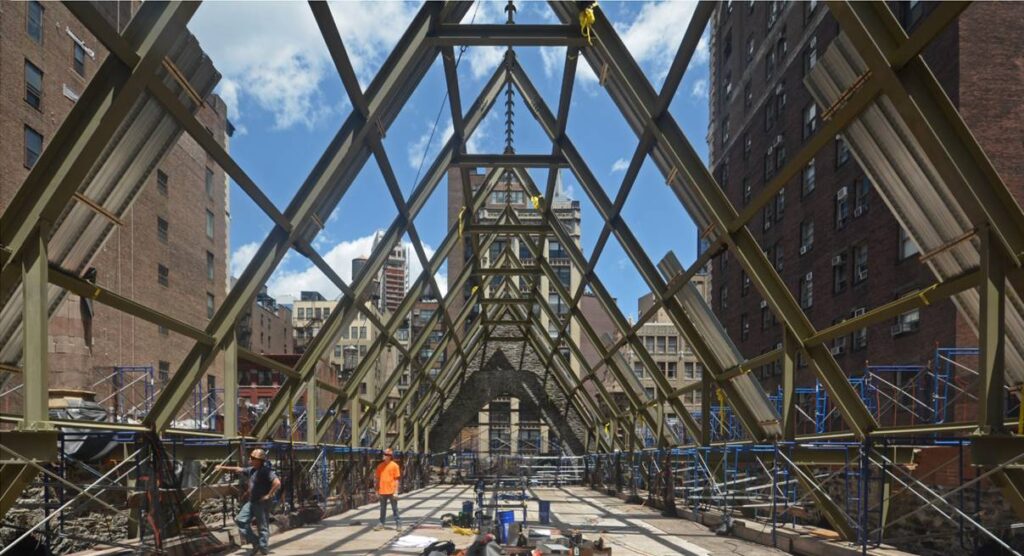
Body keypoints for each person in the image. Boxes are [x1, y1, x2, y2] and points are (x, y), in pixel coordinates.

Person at [217, 448, 280, 555]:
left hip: (262, 503)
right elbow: (238, 469)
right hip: (252, 502)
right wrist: (222, 467)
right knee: (240, 520)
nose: (250, 459)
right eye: (251, 458)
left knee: (262, 527)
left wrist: (268, 495)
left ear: (259, 460)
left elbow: (277, 483)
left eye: (253, 458)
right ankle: (256, 543)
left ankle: (262, 549)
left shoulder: (266, 471)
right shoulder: (251, 470)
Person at [374, 448, 402, 530]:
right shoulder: (380, 466)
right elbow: (377, 479)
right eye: (384, 454)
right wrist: (376, 490)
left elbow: (396, 479)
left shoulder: (395, 466)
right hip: (382, 491)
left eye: (385, 455)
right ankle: (381, 523)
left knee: (395, 509)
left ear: (390, 456)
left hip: (391, 491)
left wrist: (396, 491)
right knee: (382, 509)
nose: (384, 456)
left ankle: (398, 524)